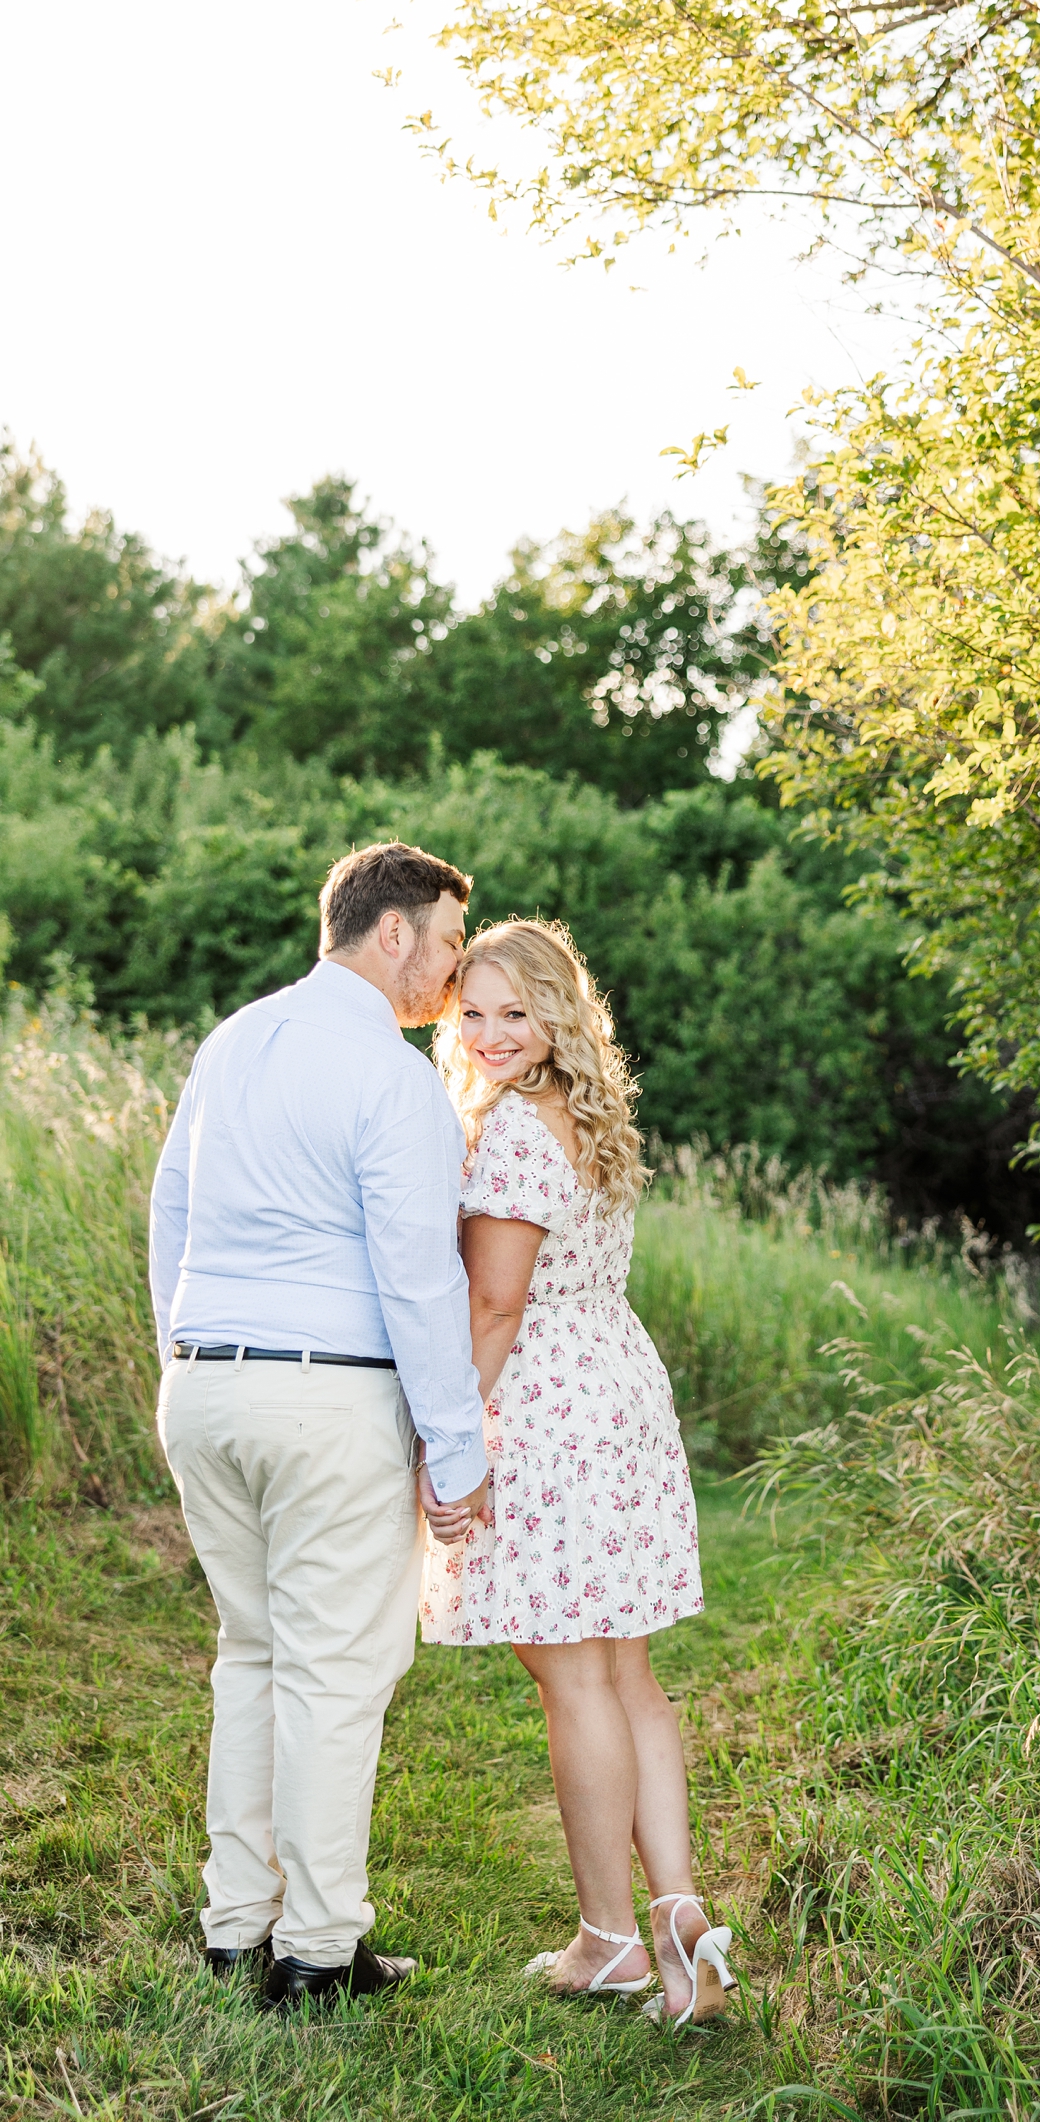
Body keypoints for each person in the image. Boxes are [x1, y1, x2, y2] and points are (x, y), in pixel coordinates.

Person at [150, 841, 492, 2011]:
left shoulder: (232, 1039)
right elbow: (418, 1279)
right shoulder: (393, 1079)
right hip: (328, 1389)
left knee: (251, 1654)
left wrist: (184, 1363)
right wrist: (458, 1447)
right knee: (336, 1676)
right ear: (390, 931)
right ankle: (316, 1953)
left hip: (204, 1383)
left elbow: (171, 1217)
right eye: (448, 943)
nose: (452, 976)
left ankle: (233, 1929)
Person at [420, 919, 735, 2027]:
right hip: (618, 1390)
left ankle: (611, 1940)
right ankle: (680, 1911)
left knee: (577, 1683)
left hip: (546, 1406)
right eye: (476, 1011)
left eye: (519, 1011)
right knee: (628, 1675)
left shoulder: (509, 1131)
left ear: (560, 1014)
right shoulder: (591, 1117)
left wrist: (445, 1436)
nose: (495, 1033)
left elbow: (497, 1303)